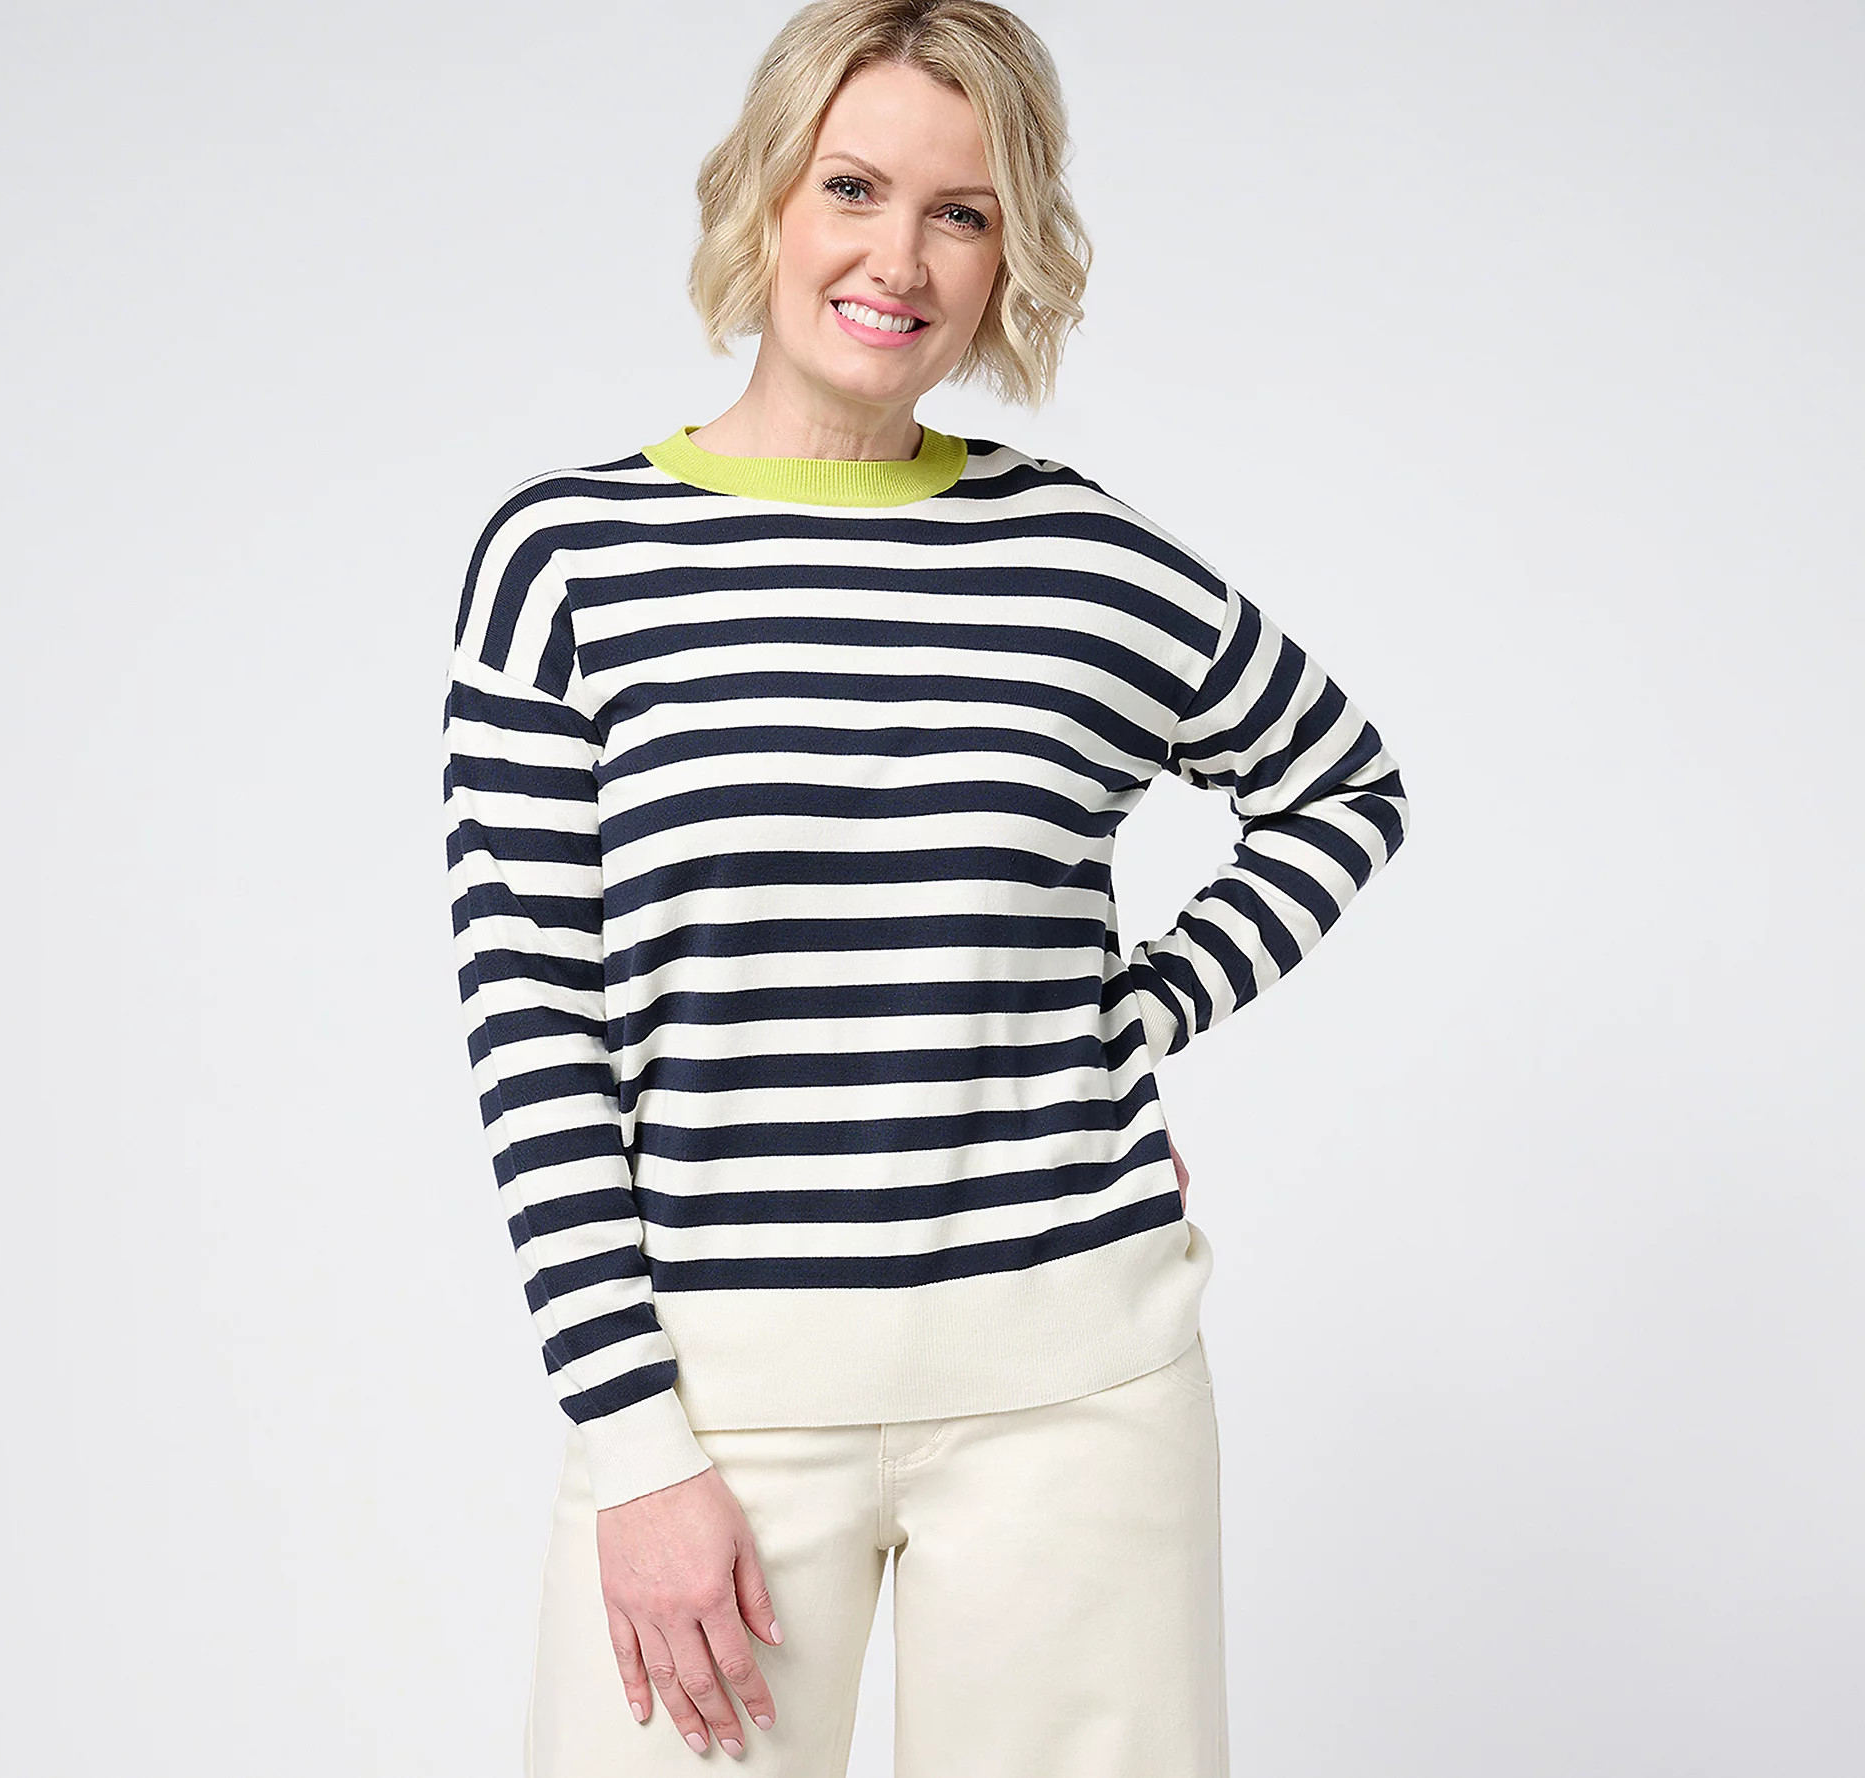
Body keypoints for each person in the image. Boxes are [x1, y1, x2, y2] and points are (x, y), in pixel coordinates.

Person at [440, 2, 1411, 1772]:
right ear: (765, 194)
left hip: (1079, 1391)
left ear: (1008, 253)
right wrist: (639, 1450)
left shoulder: (1082, 559)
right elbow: (535, 1036)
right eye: (855, 187)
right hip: (716, 1410)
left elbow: (1341, 782)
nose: (900, 259)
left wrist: (1128, 1018)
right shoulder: (568, 562)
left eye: (962, 213)